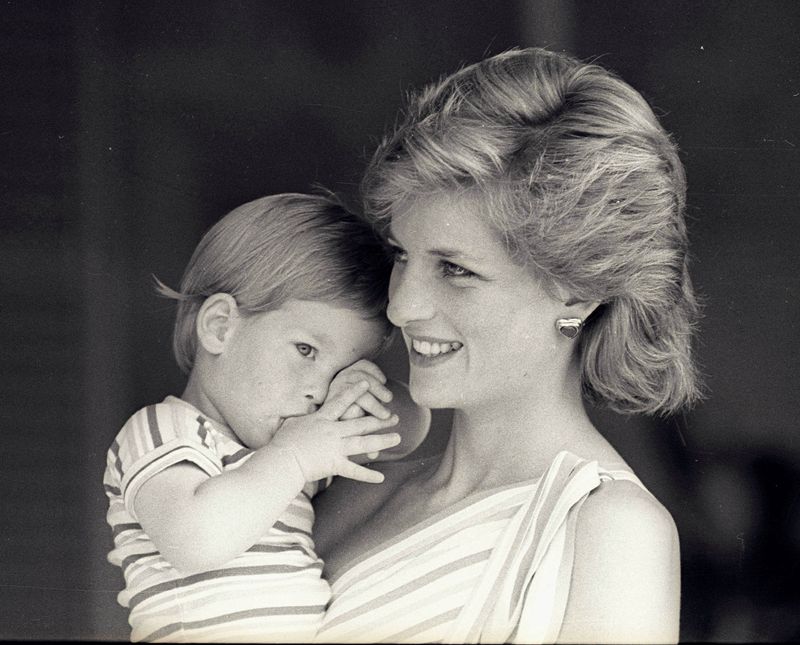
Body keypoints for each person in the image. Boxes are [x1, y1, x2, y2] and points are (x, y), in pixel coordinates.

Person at [312, 47, 702, 644]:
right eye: (401, 256)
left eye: (455, 270)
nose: (400, 306)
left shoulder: (609, 528)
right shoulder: (360, 487)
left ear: (577, 292)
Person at [102, 193, 430, 643]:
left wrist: (360, 393)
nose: (320, 390)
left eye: (338, 369)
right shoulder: (162, 431)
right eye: (306, 350)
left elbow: (408, 432)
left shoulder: (295, 443)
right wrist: (293, 458)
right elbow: (195, 540)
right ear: (221, 326)